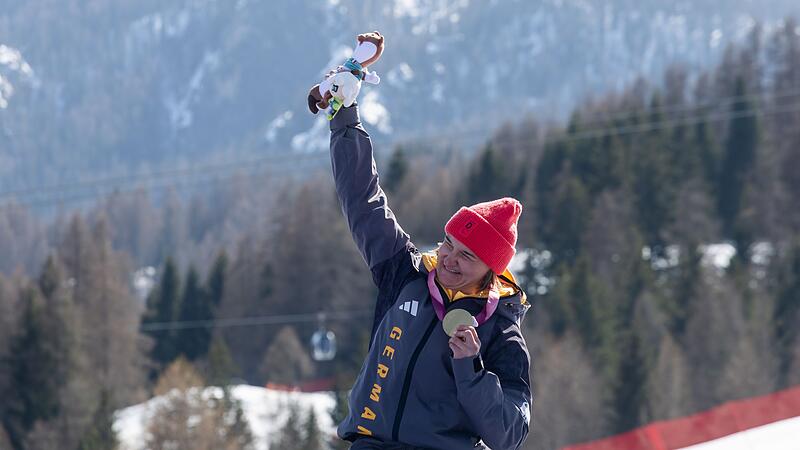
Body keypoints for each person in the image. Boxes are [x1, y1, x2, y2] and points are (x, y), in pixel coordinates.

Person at [326, 76, 531, 450]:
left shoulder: (500, 331)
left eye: (467, 255)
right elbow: (363, 202)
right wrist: (345, 119)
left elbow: (509, 435)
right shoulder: (406, 272)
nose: (449, 259)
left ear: (492, 270)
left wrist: (470, 368)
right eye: (448, 244)